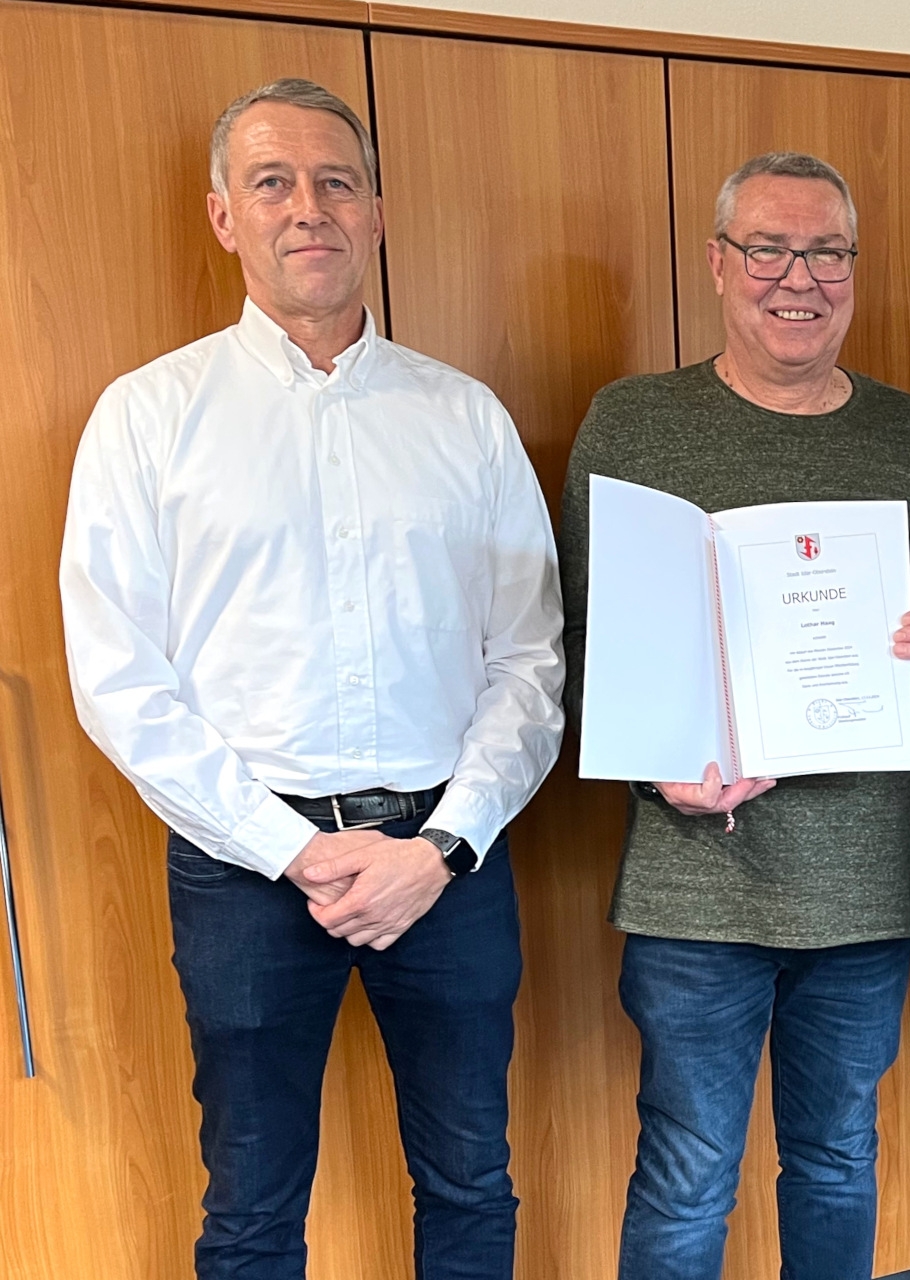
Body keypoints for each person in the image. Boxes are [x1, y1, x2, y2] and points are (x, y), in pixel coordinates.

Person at [59, 79, 564, 1278]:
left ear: (378, 212)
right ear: (226, 215)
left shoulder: (466, 418)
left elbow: (531, 664)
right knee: (249, 1206)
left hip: (446, 858)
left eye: (336, 181)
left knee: (471, 1183)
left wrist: (439, 849)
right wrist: (287, 846)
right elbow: (118, 676)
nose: (309, 207)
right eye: (273, 181)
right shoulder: (147, 418)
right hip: (243, 868)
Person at [558, 151, 910, 1280]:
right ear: (719, 262)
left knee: (837, 1154)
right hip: (699, 873)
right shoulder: (634, 423)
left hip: (866, 875)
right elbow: (585, 640)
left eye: (828, 251)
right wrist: (658, 769)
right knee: (688, 1167)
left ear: (853, 266)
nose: (800, 277)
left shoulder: (909, 435)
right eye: (770, 248)